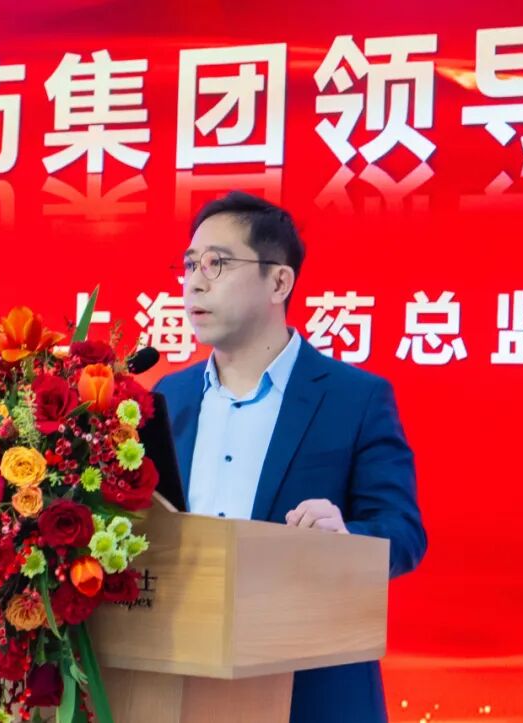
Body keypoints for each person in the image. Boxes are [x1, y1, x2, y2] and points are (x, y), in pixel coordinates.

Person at [152, 191, 427, 722]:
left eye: (217, 264)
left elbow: (404, 533)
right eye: (189, 265)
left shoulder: (354, 398)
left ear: (279, 282)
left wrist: (344, 538)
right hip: (178, 687)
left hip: (310, 691)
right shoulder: (168, 397)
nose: (194, 283)